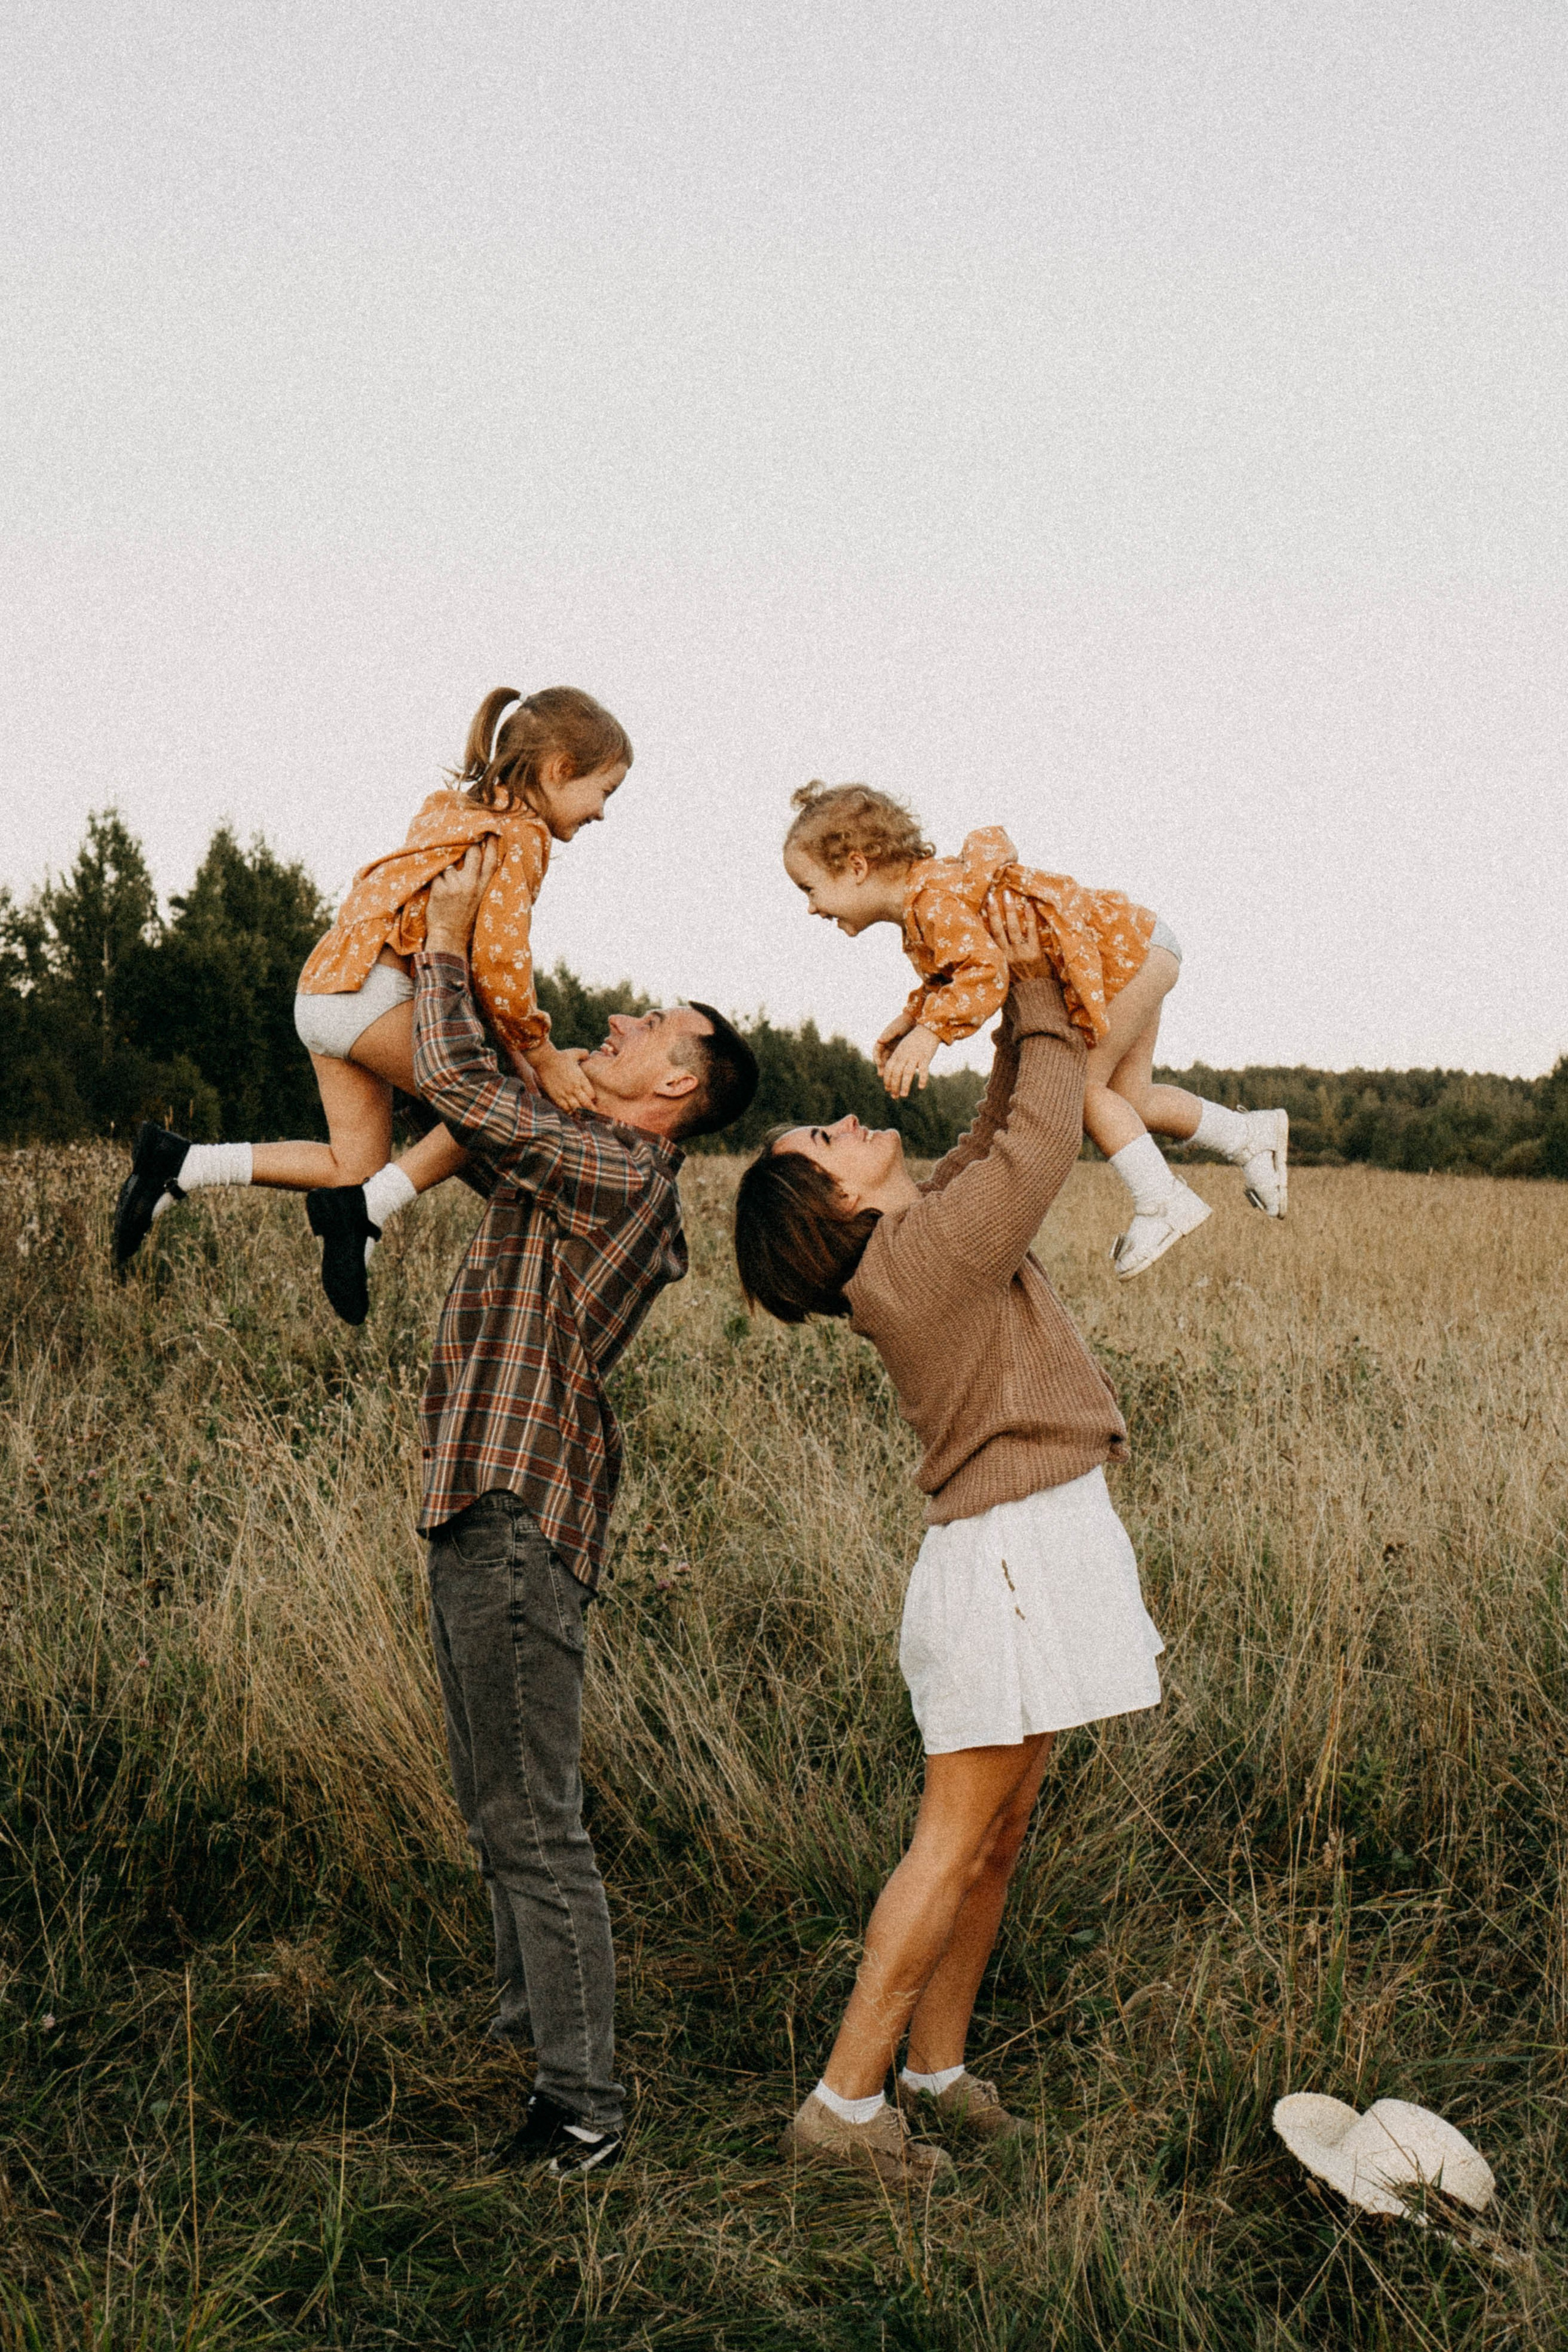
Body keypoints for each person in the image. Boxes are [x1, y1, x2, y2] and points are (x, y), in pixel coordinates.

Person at [733, 899, 1161, 2190]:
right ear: (829, 1202)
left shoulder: (917, 1237)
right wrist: (1030, 964)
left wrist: (971, 988)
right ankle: (840, 2107)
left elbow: (990, 1128)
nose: (853, 1120)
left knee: (999, 1826)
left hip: (1036, 1542)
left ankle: (932, 2071)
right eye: (828, 1135)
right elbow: (1035, 1142)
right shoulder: (912, 1271)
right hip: (1004, 1561)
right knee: (953, 1831)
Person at [415, 840, 756, 2177]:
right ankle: (534, 2034)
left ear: (675, 1083)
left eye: (650, 1024)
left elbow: (451, 1080)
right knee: (494, 1797)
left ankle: (583, 2110)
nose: (618, 1019)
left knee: (533, 1818)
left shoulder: (617, 1173)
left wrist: (449, 937)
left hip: (511, 1509)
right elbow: (485, 1088)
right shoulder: (578, 1159)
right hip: (478, 1502)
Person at [111, 684, 631, 1322]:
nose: (603, 812)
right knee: (494, 1109)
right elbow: (499, 962)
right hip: (373, 995)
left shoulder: (450, 811)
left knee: (352, 1164)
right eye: (604, 792)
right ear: (558, 770)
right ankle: (366, 1216)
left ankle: (181, 1163)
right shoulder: (520, 835)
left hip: (325, 989)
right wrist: (541, 1054)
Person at [782, 780, 1289, 1280]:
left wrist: (931, 1034)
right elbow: (957, 968)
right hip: (1134, 942)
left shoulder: (932, 902)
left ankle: (1162, 1201)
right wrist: (915, 1016)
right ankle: (1249, 1137)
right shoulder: (927, 904)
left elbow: (984, 975)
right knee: (1129, 1097)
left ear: (855, 867)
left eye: (809, 888)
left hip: (1120, 955)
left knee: (1082, 1092)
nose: (809, 906)